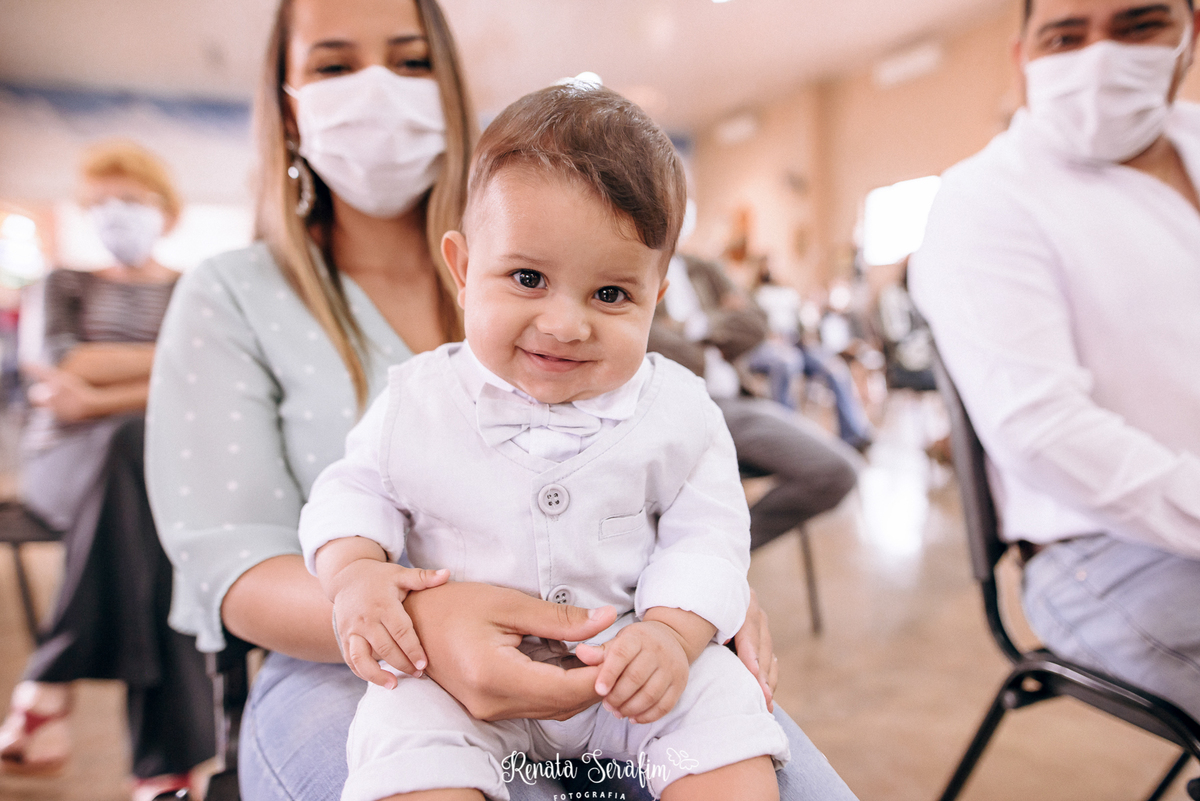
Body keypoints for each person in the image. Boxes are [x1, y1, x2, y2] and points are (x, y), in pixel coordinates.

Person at [145, 1, 859, 799]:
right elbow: (293, 523)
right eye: (336, 64)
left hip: (622, 651)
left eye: (411, 62)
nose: (562, 321)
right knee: (411, 751)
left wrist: (690, 609)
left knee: (732, 733)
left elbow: (692, 511)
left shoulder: (603, 302)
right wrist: (366, 586)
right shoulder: (264, 314)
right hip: (383, 661)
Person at [299, 84, 789, 801]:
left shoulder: (680, 411)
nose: (565, 324)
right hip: (454, 681)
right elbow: (352, 489)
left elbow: (707, 537)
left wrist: (672, 635)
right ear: (464, 269)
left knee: (721, 708)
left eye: (611, 294)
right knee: (402, 731)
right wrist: (354, 574)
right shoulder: (418, 400)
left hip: (625, 664)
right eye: (528, 278)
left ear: (656, 295)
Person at [911, 0, 1200, 729]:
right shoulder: (987, 198)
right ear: (1023, 59)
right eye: (1066, 36)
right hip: (1106, 550)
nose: (1100, 57)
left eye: (1138, 26)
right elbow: (1042, 432)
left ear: (1190, 31)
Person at [0, 140, 214, 801]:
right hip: (63, 464)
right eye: (101, 204)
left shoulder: (193, 289)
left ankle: (49, 689)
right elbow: (65, 361)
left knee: (141, 480)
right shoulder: (63, 282)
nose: (115, 214)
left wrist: (97, 396)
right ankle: (167, 764)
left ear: (167, 211)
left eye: (131, 200)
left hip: (150, 458)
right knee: (153, 509)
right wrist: (164, 365)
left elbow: (204, 377)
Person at [653, 253, 860, 550]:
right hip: (680, 404)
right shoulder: (630, 260)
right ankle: (702, 560)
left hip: (736, 401)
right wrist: (717, 334)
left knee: (836, 471)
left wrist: (691, 326)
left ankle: (719, 553)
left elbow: (756, 323)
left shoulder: (703, 267)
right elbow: (647, 342)